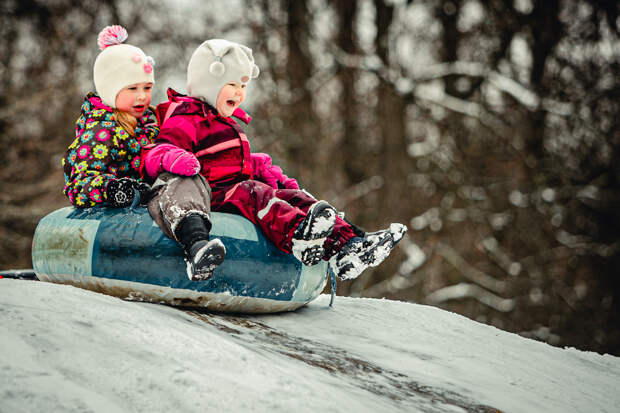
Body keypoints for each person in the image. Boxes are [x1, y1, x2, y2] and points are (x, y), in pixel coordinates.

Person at [143, 38, 406, 281]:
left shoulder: (225, 123)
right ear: (208, 83)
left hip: (236, 188)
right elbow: (157, 152)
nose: (240, 93)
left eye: (244, 86)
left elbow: (236, 162)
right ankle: (298, 235)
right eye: (233, 85)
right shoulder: (186, 117)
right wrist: (173, 157)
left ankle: (348, 246)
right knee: (254, 192)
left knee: (295, 197)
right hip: (214, 195)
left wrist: (265, 170)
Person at [62, 26, 225, 281]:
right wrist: (115, 189)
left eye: (147, 88)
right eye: (131, 89)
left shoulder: (150, 122)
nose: (142, 96)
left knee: (187, 179)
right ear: (109, 89)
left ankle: (198, 245)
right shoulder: (100, 130)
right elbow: (78, 183)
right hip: (117, 211)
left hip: (153, 199)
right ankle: (191, 245)